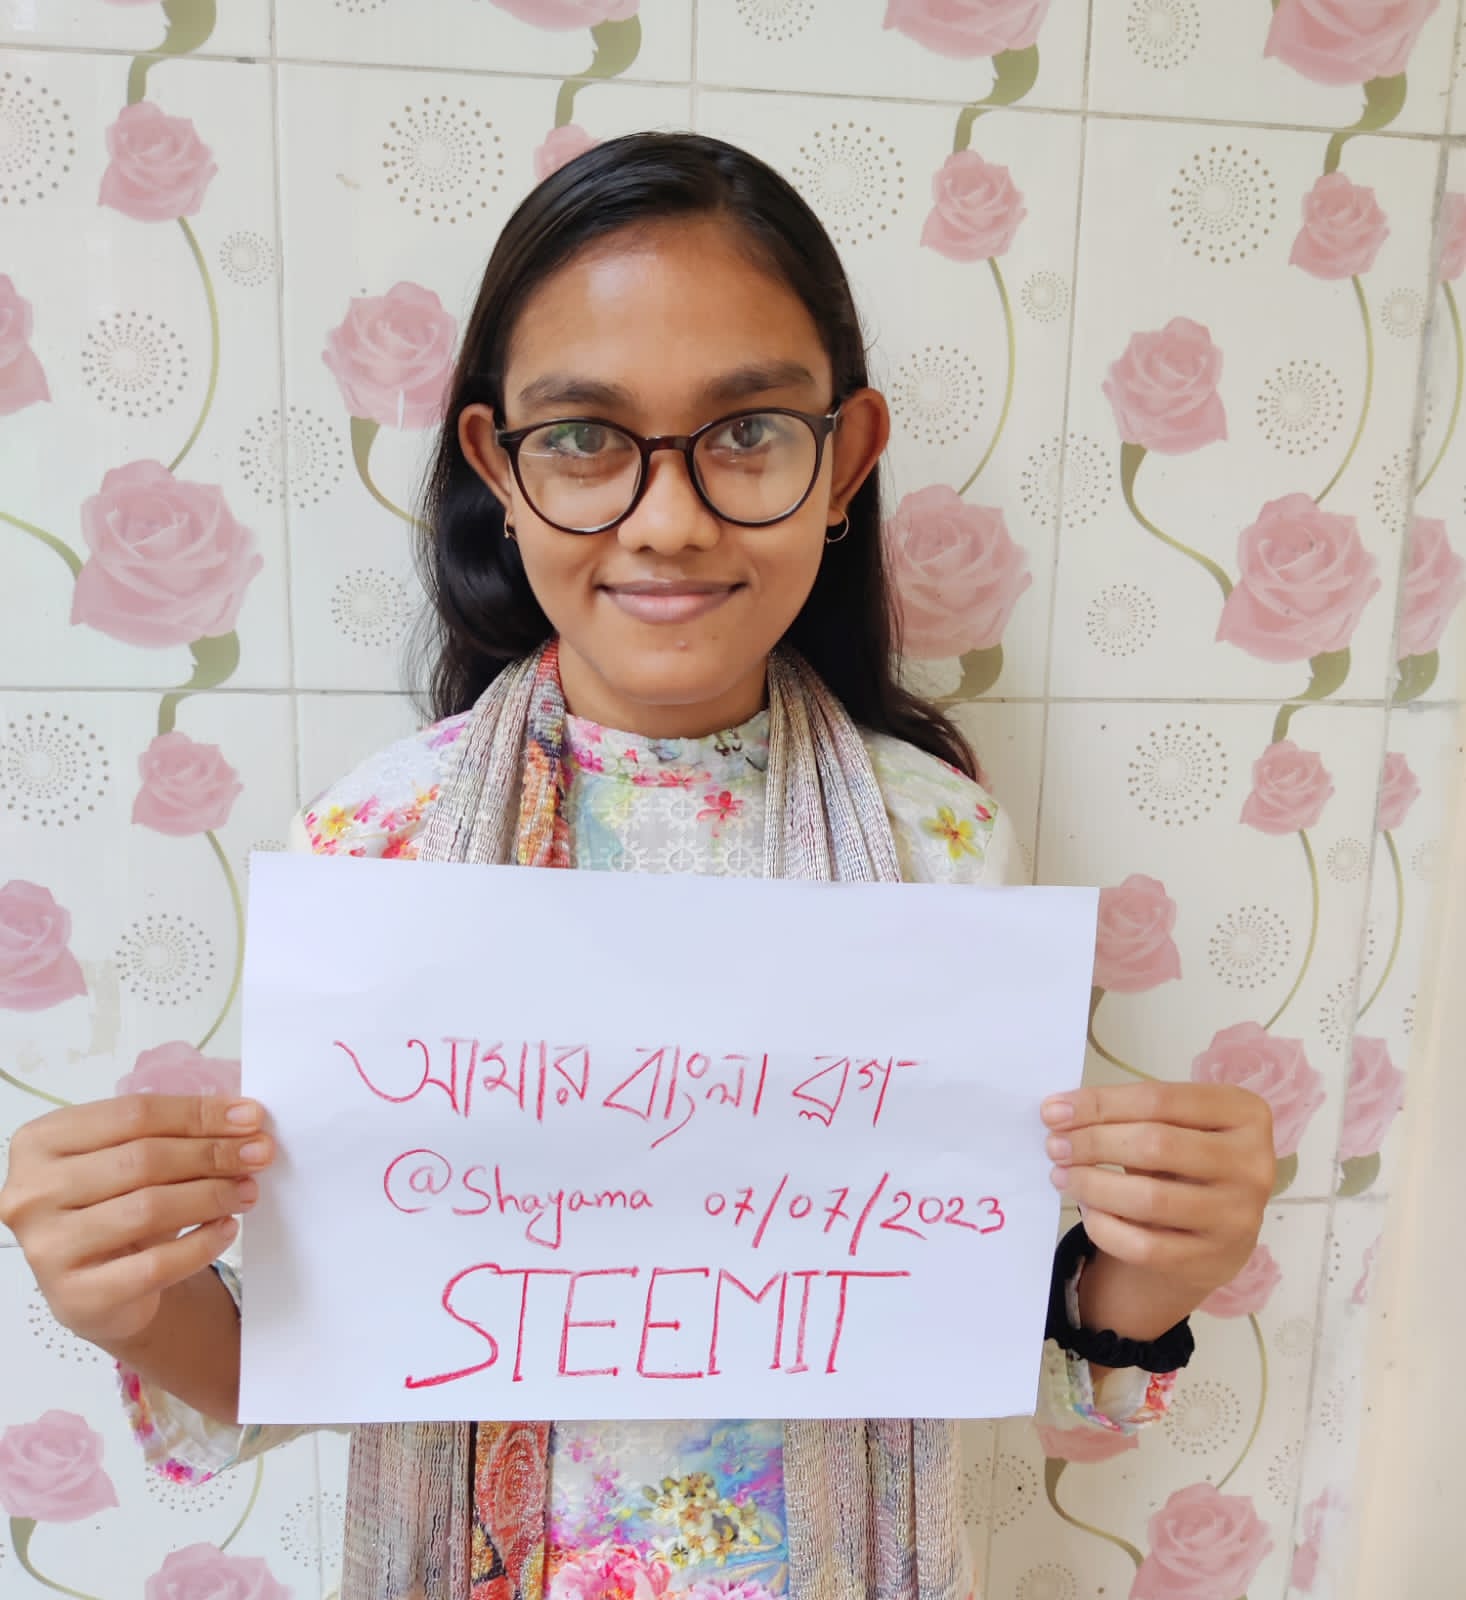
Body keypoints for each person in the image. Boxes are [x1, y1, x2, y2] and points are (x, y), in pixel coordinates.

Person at [0, 133, 1273, 1600]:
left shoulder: (939, 846)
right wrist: (127, 1292)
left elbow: (971, 1337)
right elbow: (299, 1356)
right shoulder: (381, 847)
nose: (668, 519)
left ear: (846, 460)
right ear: (498, 465)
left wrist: (1156, 1267)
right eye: (584, 437)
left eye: (747, 430)